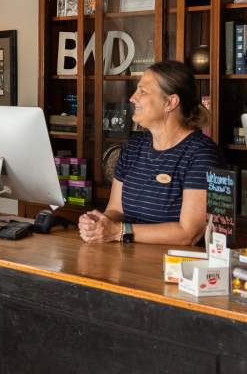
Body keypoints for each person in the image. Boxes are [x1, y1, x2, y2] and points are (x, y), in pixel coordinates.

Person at [78, 60, 223, 245]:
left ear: (170, 102)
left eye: (143, 91)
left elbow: (188, 233)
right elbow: (116, 210)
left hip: (173, 269)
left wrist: (119, 232)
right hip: (126, 261)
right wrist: (99, 223)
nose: (132, 98)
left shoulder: (202, 154)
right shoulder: (132, 147)